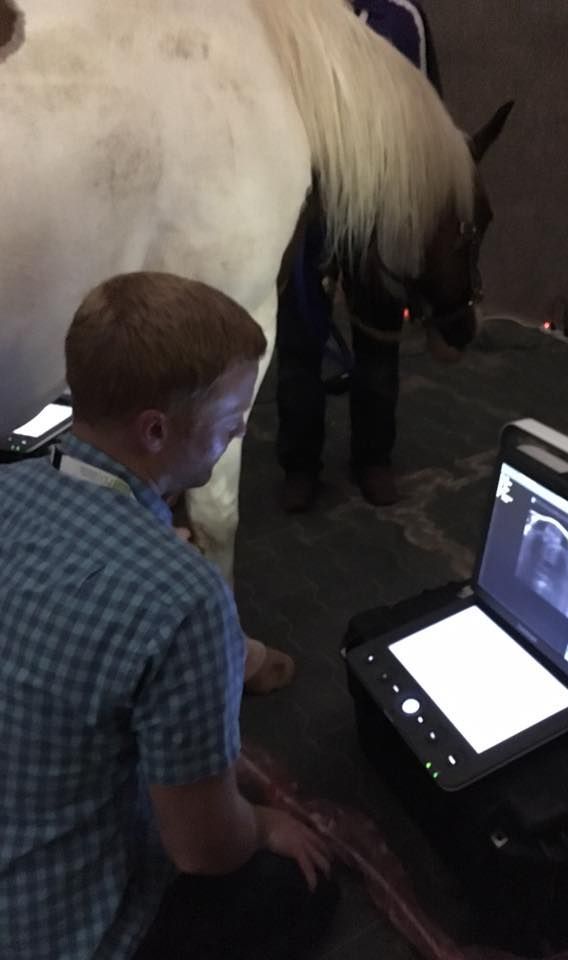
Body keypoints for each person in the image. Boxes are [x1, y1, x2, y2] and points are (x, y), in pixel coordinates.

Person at [0, 272, 338, 960]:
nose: (244, 427)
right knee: (302, 885)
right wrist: (264, 823)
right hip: (63, 936)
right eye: (233, 414)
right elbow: (204, 850)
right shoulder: (183, 599)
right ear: (155, 429)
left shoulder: (9, 482)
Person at [276, 0, 443, 512]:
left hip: (374, 210)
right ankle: (300, 465)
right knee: (299, 345)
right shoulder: (292, 17)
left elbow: (424, 110)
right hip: (309, 210)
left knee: (378, 341)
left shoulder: (401, 18)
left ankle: (373, 458)